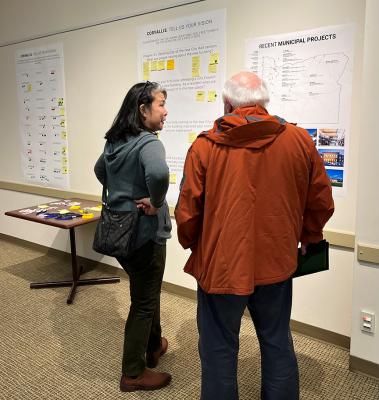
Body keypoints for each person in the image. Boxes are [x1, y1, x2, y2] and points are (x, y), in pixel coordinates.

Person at [175, 71, 334, 400]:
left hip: (221, 266)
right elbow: (321, 200)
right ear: (264, 102)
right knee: (277, 341)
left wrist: (195, 244)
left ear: (228, 103)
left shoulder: (204, 147)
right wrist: (309, 236)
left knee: (219, 348)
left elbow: (188, 212)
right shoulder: (299, 139)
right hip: (277, 262)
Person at [94, 81, 172, 392]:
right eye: (161, 104)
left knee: (146, 292)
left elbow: (100, 171)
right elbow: (159, 175)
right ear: (142, 110)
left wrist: (122, 194)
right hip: (143, 235)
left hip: (118, 233)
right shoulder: (148, 143)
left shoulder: (114, 142)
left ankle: (154, 348)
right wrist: (154, 202)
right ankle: (133, 373)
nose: (165, 112)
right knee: (143, 302)